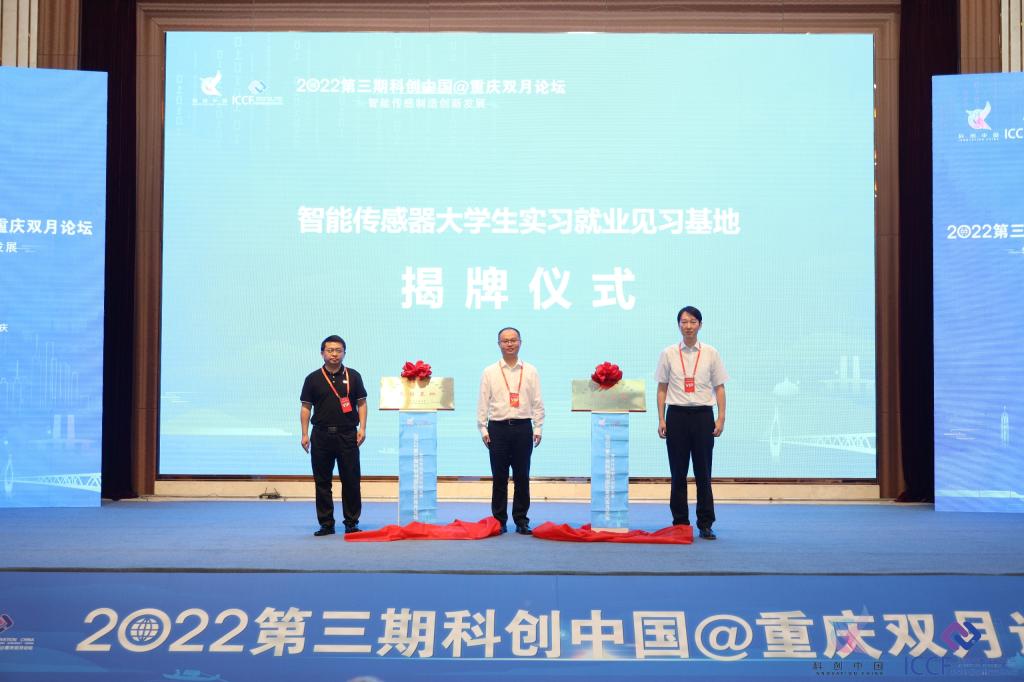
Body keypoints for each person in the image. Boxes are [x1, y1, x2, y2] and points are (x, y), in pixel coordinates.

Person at [656, 306, 728, 539]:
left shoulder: (711, 353)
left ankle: (705, 523)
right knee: (678, 473)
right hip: (676, 416)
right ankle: (680, 523)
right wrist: (661, 418)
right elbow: (662, 388)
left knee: (703, 472)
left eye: (693, 321)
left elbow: (719, 387)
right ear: (678, 325)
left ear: (700, 325)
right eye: (684, 322)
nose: (688, 326)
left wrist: (721, 417)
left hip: (703, 416)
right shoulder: (668, 353)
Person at [476, 327, 545, 534]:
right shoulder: (489, 371)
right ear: (499, 344)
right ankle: (499, 521)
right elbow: (483, 402)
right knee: (499, 477)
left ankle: (521, 520)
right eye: (505, 341)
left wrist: (538, 426)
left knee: (522, 476)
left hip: (523, 427)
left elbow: (537, 401)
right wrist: (483, 428)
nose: (509, 344)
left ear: (520, 342)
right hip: (497, 429)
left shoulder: (531, 370)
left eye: (513, 340)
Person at [300, 335, 368, 536]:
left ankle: (351, 523)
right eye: (330, 350)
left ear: (344, 353)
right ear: (322, 353)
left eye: (338, 350)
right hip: (321, 436)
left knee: (351, 480)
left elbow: (361, 403)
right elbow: (306, 407)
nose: (334, 354)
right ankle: (326, 524)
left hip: (348, 435)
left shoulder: (353, 376)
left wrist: (362, 428)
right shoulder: (312, 378)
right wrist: (304, 434)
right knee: (322, 482)